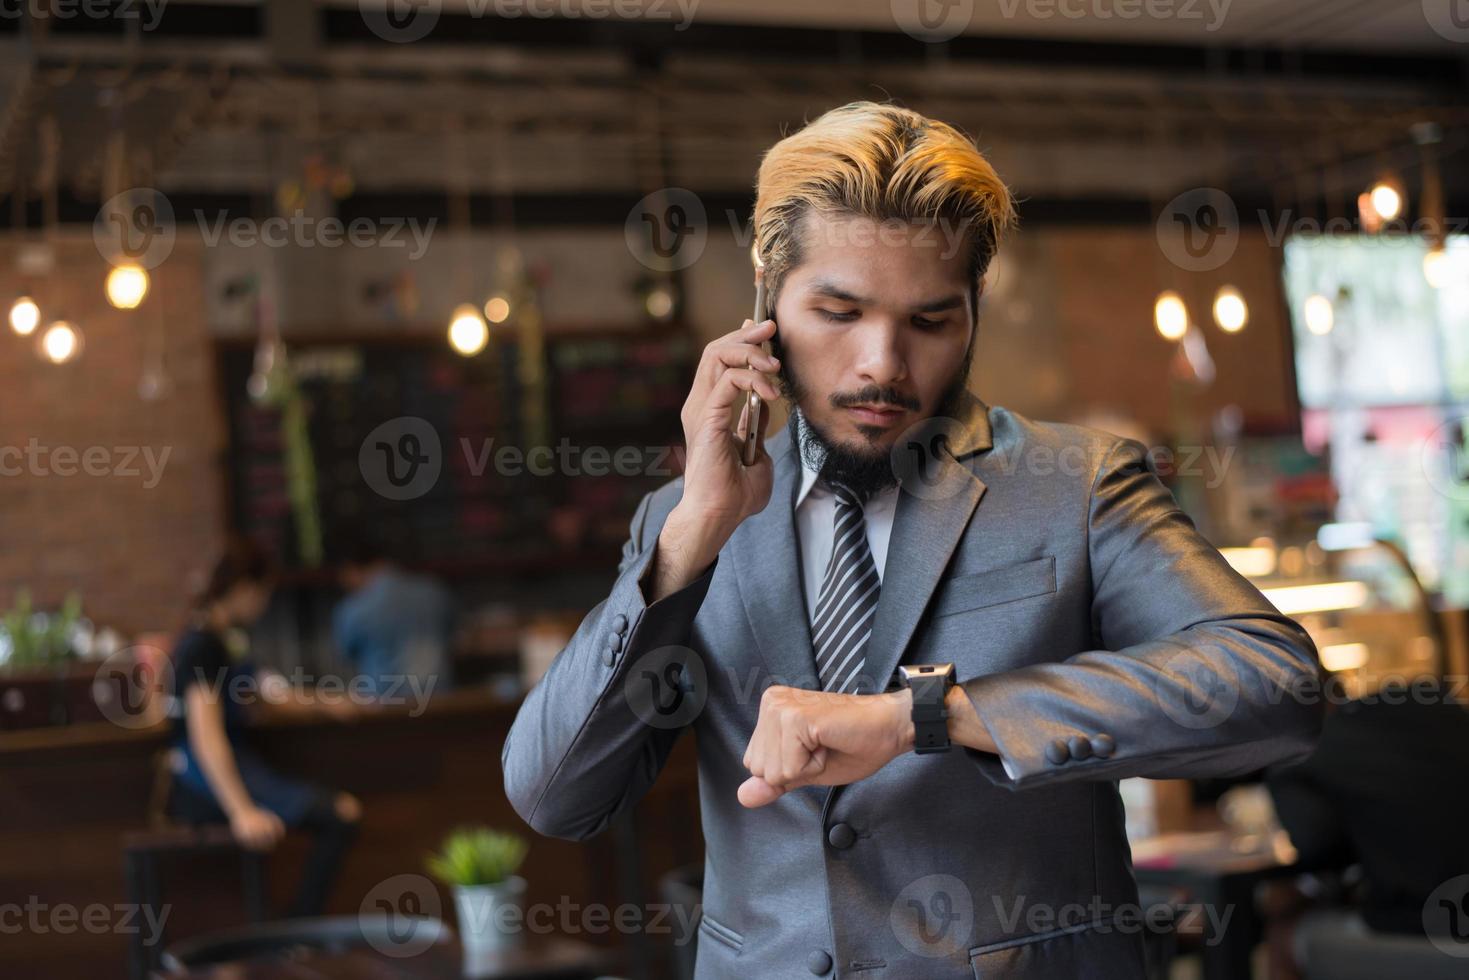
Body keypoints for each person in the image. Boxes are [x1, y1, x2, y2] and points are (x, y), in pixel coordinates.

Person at [502, 101, 1322, 978]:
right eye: (838, 312)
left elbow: (1273, 683)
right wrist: (695, 531)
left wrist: (924, 718)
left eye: (930, 322)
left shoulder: (1075, 485)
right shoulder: (684, 520)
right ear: (764, 297)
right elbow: (555, 795)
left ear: (972, 311)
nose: (881, 365)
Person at [168, 538, 361, 917]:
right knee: (341, 816)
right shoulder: (202, 646)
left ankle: (295, 931)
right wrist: (242, 811)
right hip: (202, 782)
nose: (266, 603)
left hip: (232, 771)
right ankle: (296, 934)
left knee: (341, 815)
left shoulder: (225, 642)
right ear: (243, 589)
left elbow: (269, 695)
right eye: (265, 592)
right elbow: (206, 737)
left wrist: (326, 703)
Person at [1264, 677, 1469, 975]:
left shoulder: (1300, 752)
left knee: (1282, 926)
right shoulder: (1436, 705)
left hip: (1423, 927)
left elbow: (1315, 846)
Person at [333, 539, 454, 702]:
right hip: (443, 704)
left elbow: (346, 654)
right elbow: (452, 637)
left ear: (351, 569)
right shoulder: (434, 591)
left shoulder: (354, 609)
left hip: (385, 711)